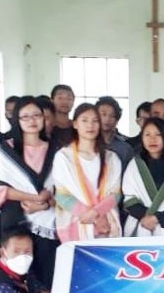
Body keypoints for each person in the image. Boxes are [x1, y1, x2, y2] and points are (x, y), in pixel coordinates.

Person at [0, 96, 60, 287]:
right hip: (16, 216)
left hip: (48, 218)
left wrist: (44, 203)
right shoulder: (8, 149)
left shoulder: (55, 149)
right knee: (17, 273)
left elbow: (62, 187)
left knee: (46, 271)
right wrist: (35, 198)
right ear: (17, 120)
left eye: (36, 115)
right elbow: (2, 188)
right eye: (25, 116)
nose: (32, 120)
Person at [52, 103, 123, 241]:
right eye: (84, 120)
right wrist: (93, 217)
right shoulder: (63, 156)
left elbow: (115, 193)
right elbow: (62, 194)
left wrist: (97, 213)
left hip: (106, 224)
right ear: (75, 124)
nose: (90, 125)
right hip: (77, 222)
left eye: (95, 121)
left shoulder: (111, 158)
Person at [96, 96, 135, 167]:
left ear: (117, 120)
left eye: (112, 116)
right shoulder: (87, 144)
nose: (107, 119)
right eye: (103, 114)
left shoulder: (124, 148)